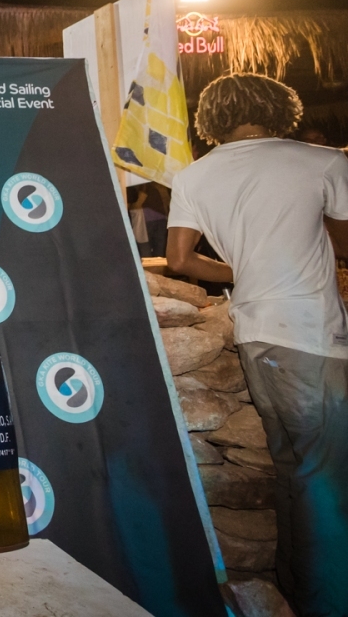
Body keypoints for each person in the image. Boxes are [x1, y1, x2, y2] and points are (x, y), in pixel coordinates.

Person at [167, 73, 348, 617]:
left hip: (254, 332)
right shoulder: (323, 160)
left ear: (212, 119)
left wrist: (245, 271)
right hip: (310, 331)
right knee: (328, 476)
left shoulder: (193, 175)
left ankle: (295, 590)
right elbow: (345, 244)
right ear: (279, 108)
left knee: (293, 470)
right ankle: (330, 601)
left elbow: (179, 260)